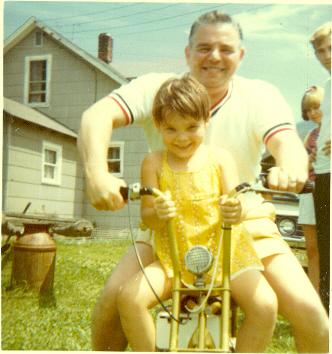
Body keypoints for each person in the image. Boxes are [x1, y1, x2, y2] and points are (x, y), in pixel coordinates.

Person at [78, 11, 329, 352]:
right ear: (187, 53)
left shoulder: (259, 95)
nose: (214, 56)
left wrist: (291, 167)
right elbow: (96, 115)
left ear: (241, 55)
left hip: (241, 220)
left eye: (226, 49)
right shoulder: (159, 89)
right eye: (204, 47)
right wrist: (96, 173)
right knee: (111, 303)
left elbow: (287, 144)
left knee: (310, 313)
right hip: (170, 225)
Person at [118, 75, 268, 351]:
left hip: (226, 257)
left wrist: (236, 209)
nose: (182, 137)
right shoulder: (153, 163)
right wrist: (158, 213)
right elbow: (147, 217)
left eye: (191, 127)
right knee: (129, 298)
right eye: (171, 129)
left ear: (206, 120)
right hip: (173, 259)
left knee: (265, 305)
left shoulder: (220, 158)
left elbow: (238, 199)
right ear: (158, 126)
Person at [310, 22, 331, 313]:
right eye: (320, 51)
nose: (327, 55)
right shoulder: (327, 85)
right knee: (326, 247)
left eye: (331, 48)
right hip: (325, 172)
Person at [298, 85, 324, 292]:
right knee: (312, 249)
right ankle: (316, 297)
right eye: (308, 110)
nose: (312, 113)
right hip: (311, 192)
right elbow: (301, 169)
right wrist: (310, 159)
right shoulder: (311, 135)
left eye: (317, 107)